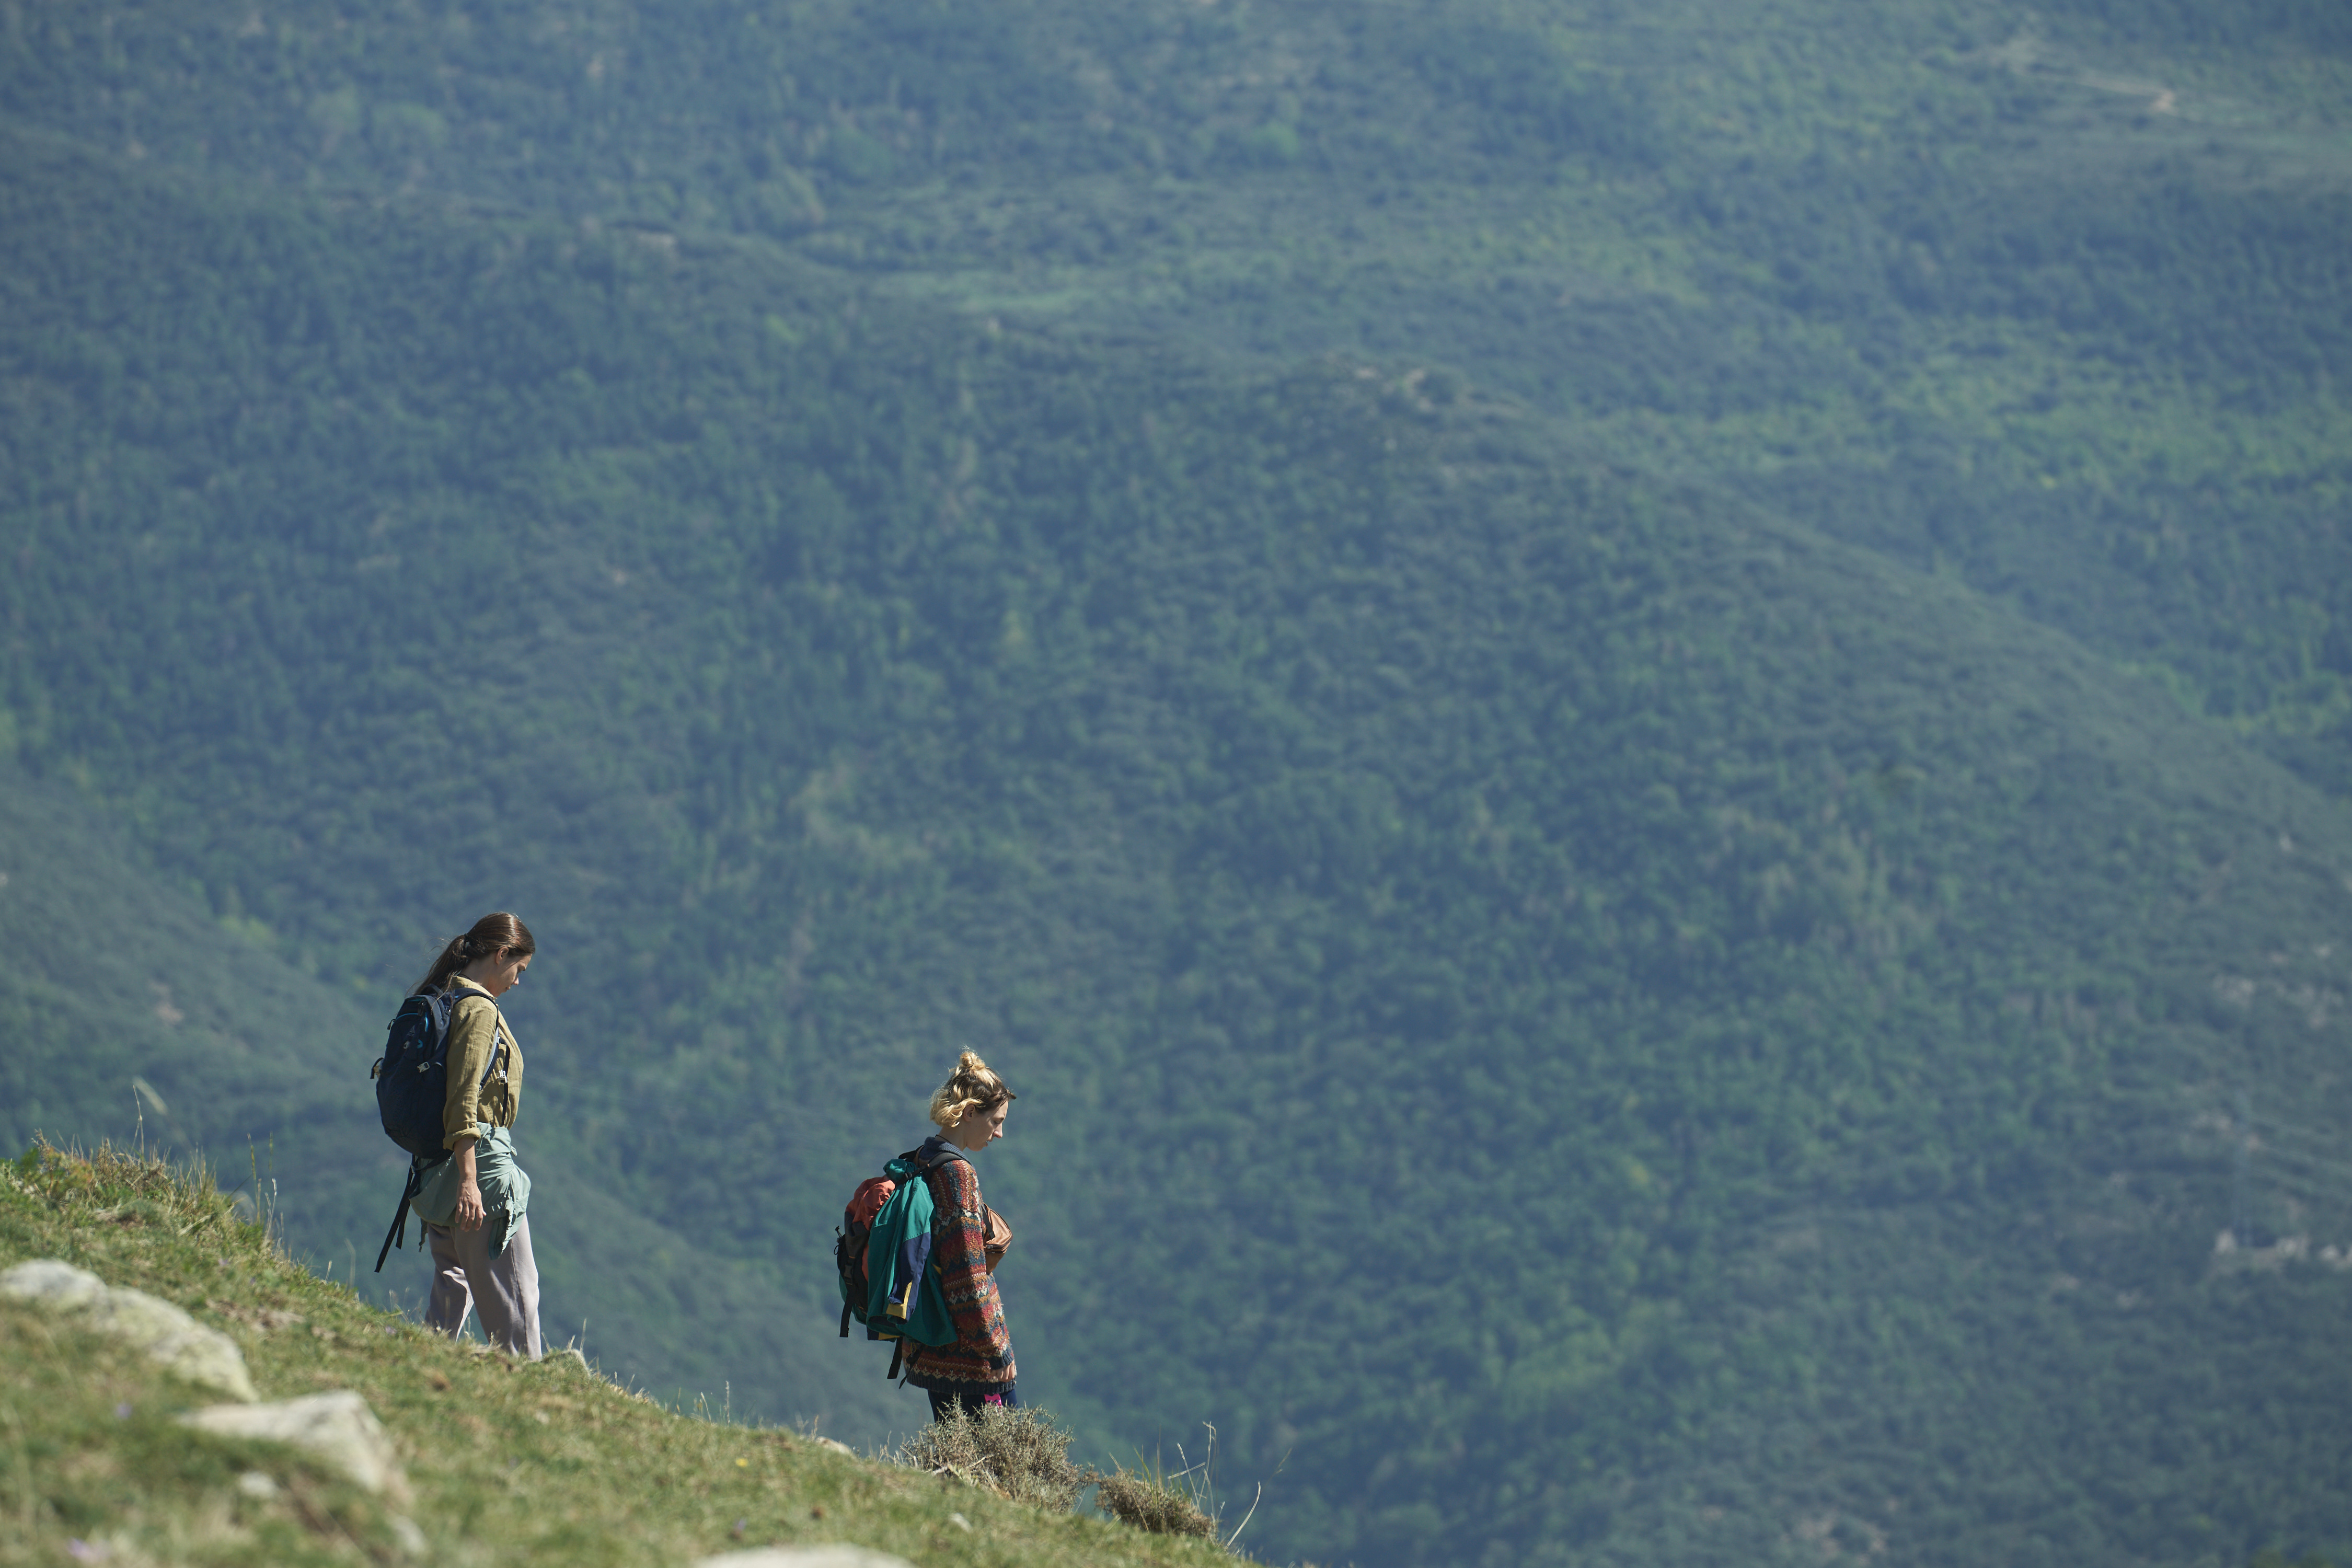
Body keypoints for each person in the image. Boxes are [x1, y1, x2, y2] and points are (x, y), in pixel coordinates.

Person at [409, 912, 542, 1358]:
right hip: (478, 1169)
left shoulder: (444, 996)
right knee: (518, 1300)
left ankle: (420, 1365)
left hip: (437, 1167)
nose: (518, 982)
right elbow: (463, 1099)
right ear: (501, 954)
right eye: (519, 969)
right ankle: (533, 1389)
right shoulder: (479, 1010)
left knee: (452, 1293)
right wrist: (470, 1180)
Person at [903, 1051, 1019, 1420]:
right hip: (971, 1363)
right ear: (970, 1113)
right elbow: (966, 1277)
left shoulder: (923, 1159)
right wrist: (997, 1351)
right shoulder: (958, 1175)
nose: (999, 1133)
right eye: (996, 1121)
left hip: (934, 1354)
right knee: (1006, 1455)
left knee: (957, 1453)